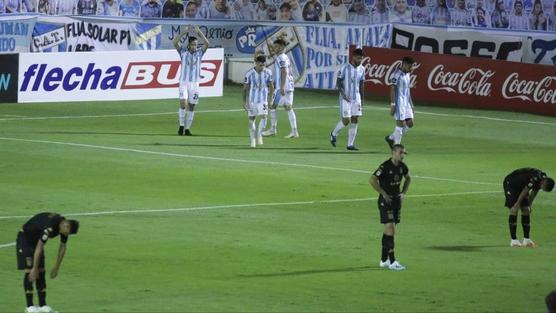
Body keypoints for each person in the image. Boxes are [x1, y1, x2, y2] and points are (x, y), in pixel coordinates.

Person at [16, 213, 79, 313]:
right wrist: (34, 268)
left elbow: (63, 246)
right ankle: (29, 306)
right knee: (30, 270)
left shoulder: (63, 226)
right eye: (67, 232)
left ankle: (42, 305)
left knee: (41, 271)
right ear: (65, 225)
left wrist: (57, 267)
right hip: (25, 239)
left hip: (36, 240)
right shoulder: (50, 227)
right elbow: (40, 247)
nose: (66, 235)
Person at [369, 144, 411, 271]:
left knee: (389, 230)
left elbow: (408, 178)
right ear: (393, 152)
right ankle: (392, 261)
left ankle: (383, 259)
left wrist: (403, 192)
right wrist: (383, 193)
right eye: (400, 152)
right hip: (386, 201)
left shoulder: (402, 167)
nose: (402, 155)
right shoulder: (385, 166)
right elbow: (372, 179)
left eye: (403, 153)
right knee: (391, 228)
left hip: (396, 201)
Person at [503, 168, 554, 247]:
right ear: (544, 183)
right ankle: (514, 240)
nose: (542, 189)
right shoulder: (535, 178)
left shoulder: (543, 180)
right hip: (511, 183)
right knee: (514, 209)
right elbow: (526, 190)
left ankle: (526, 240)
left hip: (522, 186)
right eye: (543, 189)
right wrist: (517, 203)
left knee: (526, 209)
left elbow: (535, 190)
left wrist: (529, 204)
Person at [174, 26, 209, 136]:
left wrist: (199, 33)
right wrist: (184, 32)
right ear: (189, 44)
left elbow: (207, 44)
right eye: (193, 44)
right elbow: (175, 42)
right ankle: (181, 126)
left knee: (192, 106)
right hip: (183, 82)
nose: (195, 46)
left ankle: (188, 128)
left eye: (196, 44)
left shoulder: (200, 53)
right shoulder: (183, 52)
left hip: (195, 84)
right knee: (183, 104)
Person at [262, 38, 299, 138]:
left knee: (272, 106)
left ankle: (273, 129)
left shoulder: (281, 58)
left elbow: (284, 71)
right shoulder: (285, 57)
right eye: (274, 47)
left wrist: (281, 86)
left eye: (277, 47)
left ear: (282, 47)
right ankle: (294, 131)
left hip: (283, 87)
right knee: (288, 107)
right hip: (289, 86)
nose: (275, 49)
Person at [330, 48, 365, 151]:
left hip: (356, 98)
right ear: (353, 57)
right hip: (345, 98)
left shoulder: (362, 69)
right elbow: (338, 82)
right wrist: (344, 95)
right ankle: (334, 133)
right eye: (358, 58)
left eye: (361, 59)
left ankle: (350, 144)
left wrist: (362, 98)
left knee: (355, 119)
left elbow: (362, 83)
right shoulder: (344, 68)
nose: (360, 61)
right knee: (346, 120)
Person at [243, 55, 275, 148]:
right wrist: (244, 102)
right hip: (252, 100)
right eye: (260, 64)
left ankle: (259, 134)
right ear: (256, 63)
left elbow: (271, 86)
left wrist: (270, 100)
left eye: (263, 64)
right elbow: (244, 89)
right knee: (251, 120)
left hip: (263, 99)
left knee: (264, 116)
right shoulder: (249, 74)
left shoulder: (268, 72)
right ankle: (252, 140)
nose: (262, 66)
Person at [385, 56, 415, 149]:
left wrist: (411, 104)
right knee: (400, 124)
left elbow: (407, 90)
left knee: (410, 123)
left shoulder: (407, 74)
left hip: (406, 103)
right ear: (404, 64)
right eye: (410, 66)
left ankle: (391, 138)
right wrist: (393, 104)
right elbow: (392, 89)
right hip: (399, 103)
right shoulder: (396, 75)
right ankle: (397, 148)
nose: (411, 69)